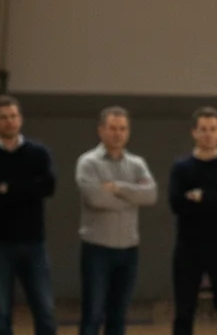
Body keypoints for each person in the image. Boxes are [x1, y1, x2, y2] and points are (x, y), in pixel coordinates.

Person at [0, 96, 58, 335]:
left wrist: (9, 188)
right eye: (3, 117)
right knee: (0, 312)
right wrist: (28, 189)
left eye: (13, 116)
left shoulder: (39, 153)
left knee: (45, 309)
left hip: (34, 242)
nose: (9, 122)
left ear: (20, 119)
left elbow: (48, 187)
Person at [75, 105, 158, 335]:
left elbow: (150, 195)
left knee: (119, 314)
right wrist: (132, 197)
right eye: (112, 128)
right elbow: (96, 199)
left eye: (122, 128)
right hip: (97, 249)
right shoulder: (88, 162)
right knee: (93, 313)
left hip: (128, 249)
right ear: (101, 130)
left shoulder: (137, 163)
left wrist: (118, 188)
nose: (118, 134)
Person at [168, 107, 217, 335]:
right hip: (188, 247)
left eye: (212, 129)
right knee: (184, 311)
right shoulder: (181, 168)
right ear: (194, 132)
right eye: (203, 130)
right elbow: (177, 204)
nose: (208, 134)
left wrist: (201, 196)